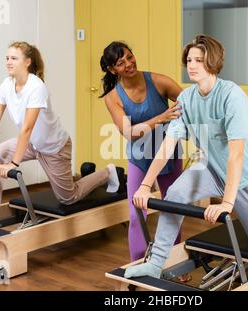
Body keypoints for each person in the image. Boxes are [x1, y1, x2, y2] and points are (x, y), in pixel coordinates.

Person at [125, 35, 248, 279]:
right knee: (176, 194)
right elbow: (167, 145)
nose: (192, 65)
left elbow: (236, 155)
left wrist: (227, 202)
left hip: (243, 175)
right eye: (189, 60)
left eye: (199, 60)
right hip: (210, 169)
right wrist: (146, 185)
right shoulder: (186, 99)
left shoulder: (232, 96)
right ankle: (157, 262)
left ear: (212, 62)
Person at [0, 41, 122, 228]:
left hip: (55, 147)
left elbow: (27, 128)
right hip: (32, 144)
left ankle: (108, 172)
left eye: (14, 58)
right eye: (7, 58)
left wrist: (14, 163)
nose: (8, 62)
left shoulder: (36, 87)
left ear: (28, 62)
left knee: (68, 198)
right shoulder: (6, 85)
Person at [100, 41, 185, 262]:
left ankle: (176, 261)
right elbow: (128, 133)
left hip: (169, 155)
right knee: (136, 213)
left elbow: (189, 103)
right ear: (112, 69)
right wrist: (161, 118)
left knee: (172, 209)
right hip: (139, 159)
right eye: (121, 63)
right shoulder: (113, 97)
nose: (129, 64)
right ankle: (138, 263)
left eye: (130, 56)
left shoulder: (158, 81)